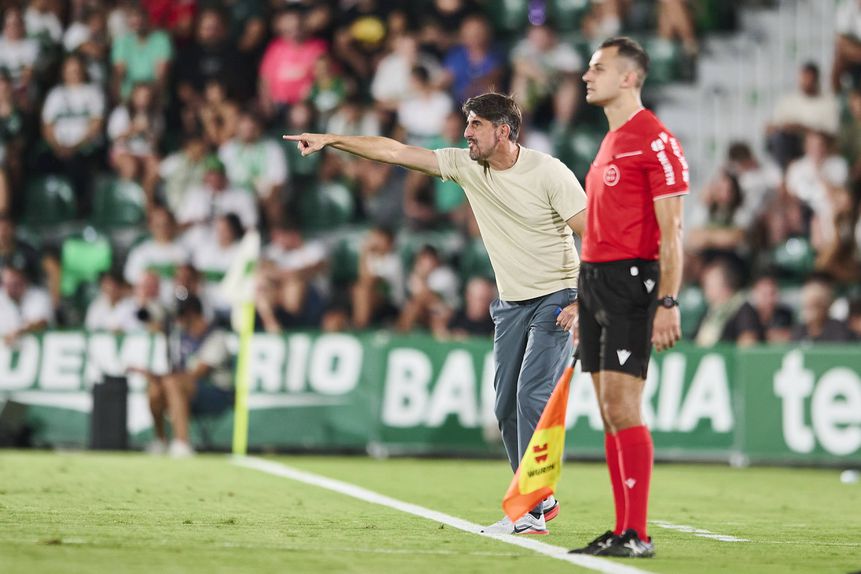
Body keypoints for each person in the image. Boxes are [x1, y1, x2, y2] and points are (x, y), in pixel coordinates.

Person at [284, 91, 586, 535]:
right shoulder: (467, 165)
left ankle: (531, 506)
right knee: (504, 407)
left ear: (502, 130)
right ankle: (540, 498)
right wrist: (332, 139)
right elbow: (396, 151)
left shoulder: (549, 172)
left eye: (475, 126)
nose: (465, 134)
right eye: (466, 125)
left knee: (530, 395)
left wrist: (586, 300)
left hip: (558, 295)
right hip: (511, 302)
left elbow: (595, 233)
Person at [571, 37, 689, 558]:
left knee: (624, 405)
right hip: (594, 281)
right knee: (608, 411)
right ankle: (622, 529)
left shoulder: (655, 140)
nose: (586, 76)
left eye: (597, 68)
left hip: (631, 283)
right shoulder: (611, 141)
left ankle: (637, 534)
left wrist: (668, 301)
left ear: (629, 78)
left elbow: (674, 231)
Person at [139, 294, 234, 457]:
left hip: (216, 392)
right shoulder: (180, 336)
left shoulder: (215, 336)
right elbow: (151, 325)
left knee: (172, 383)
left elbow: (198, 373)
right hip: (185, 390)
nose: (178, 318)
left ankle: (182, 443)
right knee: (155, 387)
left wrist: (167, 380)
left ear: (192, 313)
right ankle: (160, 441)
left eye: (181, 313)